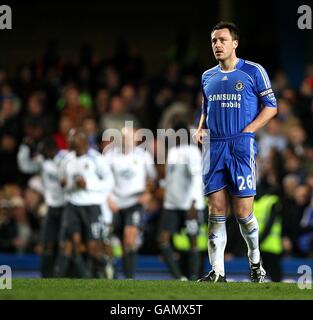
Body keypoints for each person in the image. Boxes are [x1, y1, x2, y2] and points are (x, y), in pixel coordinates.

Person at [194, 22, 278, 282]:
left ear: (234, 43)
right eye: (213, 41)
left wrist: (249, 130)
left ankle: (255, 263)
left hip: (241, 147)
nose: (217, 45)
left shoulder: (254, 71)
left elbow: (271, 106)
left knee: (243, 213)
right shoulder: (208, 76)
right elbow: (206, 109)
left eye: (222, 40)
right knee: (215, 209)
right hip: (215, 146)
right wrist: (200, 128)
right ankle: (217, 272)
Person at [104, 126, 156, 279]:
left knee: (130, 237)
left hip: (135, 201)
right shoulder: (109, 155)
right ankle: (111, 272)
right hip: (115, 203)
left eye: (129, 138)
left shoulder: (143, 156)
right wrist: (108, 199)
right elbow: (103, 179)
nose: (126, 140)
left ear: (136, 139)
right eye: (123, 137)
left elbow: (152, 179)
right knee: (115, 240)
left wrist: (147, 193)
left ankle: (129, 277)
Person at [158, 122, 205, 281]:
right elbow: (171, 178)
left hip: (189, 205)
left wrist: (193, 202)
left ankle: (193, 277)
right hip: (171, 204)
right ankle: (179, 277)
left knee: (193, 240)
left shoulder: (192, 152)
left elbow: (197, 178)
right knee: (163, 239)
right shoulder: (172, 152)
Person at [17, 136, 69, 277]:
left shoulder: (66, 159)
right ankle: (47, 276)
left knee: (65, 243)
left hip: (67, 206)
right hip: (51, 206)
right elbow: (25, 166)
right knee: (47, 241)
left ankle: (66, 274)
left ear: (52, 149)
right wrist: (24, 148)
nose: (42, 154)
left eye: (44, 151)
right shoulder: (43, 161)